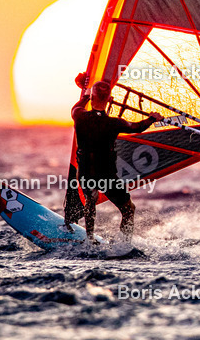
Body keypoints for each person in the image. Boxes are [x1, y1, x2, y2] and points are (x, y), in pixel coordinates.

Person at [63, 73, 161, 241]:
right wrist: (152, 118)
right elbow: (137, 127)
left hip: (86, 172)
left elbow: (76, 107)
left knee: (90, 199)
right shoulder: (115, 123)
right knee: (128, 209)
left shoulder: (79, 116)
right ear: (109, 99)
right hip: (106, 174)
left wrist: (85, 95)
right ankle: (125, 244)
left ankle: (90, 239)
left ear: (93, 97)